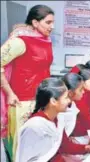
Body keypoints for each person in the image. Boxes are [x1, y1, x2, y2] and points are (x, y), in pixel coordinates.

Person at [0, 5, 55, 159]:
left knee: (38, 149)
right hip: (21, 103)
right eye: (48, 22)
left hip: (41, 101)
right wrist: (9, 93)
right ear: (35, 23)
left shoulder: (46, 40)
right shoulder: (20, 41)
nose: (52, 26)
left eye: (53, 22)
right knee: (21, 149)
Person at [15, 78, 90, 162]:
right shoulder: (34, 127)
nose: (69, 101)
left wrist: (88, 148)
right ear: (53, 101)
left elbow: (65, 146)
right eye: (66, 97)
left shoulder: (58, 118)